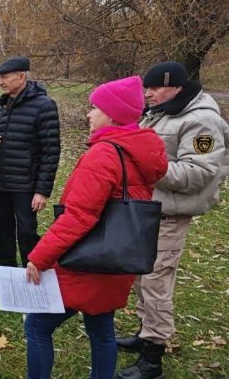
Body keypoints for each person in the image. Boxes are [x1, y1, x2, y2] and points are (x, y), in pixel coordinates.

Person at [24, 75, 168, 379]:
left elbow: (79, 216)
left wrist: (40, 256)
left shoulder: (104, 154)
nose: (89, 114)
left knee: (37, 325)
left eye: (95, 108)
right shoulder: (139, 150)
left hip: (88, 261)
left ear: (112, 114)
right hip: (118, 258)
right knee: (101, 327)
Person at [115, 62, 229, 379]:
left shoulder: (202, 121)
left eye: (153, 87)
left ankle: (153, 359)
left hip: (169, 215)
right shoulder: (162, 112)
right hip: (147, 210)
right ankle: (145, 334)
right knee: (141, 277)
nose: (147, 93)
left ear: (176, 87)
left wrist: (142, 162)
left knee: (156, 284)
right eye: (145, 87)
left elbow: (198, 174)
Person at [0, 57, 60, 288]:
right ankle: (5, 276)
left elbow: (51, 151)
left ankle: (32, 275)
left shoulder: (44, 105)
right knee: (1, 229)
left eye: (5, 77)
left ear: (21, 77)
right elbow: (3, 137)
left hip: (26, 185)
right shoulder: (3, 105)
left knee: (27, 232)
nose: (0, 82)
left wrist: (42, 191)